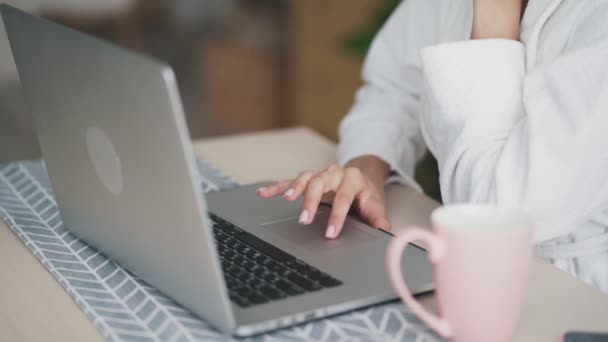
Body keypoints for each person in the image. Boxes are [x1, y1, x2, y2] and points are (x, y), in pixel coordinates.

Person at [258, 0, 608, 293]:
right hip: (468, 272)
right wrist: (366, 168)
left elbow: (494, 218)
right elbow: (393, 89)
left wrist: (492, 24)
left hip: (576, 296)